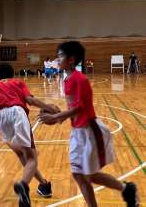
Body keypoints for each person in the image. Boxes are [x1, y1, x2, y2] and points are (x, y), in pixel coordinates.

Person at [39, 41, 139, 207]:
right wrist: (58, 114)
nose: (57, 59)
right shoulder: (67, 79)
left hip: (90, 131)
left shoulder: (80, 79)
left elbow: (81, 108)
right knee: (79, 175)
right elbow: (72, 108)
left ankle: (126, 189)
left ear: (71, 59)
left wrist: (57, 117)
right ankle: (123, 190)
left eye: (60, 55)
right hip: (77, 130)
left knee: (89, 175)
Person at [0, 63, 60, 206]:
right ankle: (23, 185)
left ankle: (44, 185)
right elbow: (30, 100)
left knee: (21, 154)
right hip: (17, 113)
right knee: (32, 157)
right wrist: (49, 108)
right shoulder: (18, 83)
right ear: (12, 74)